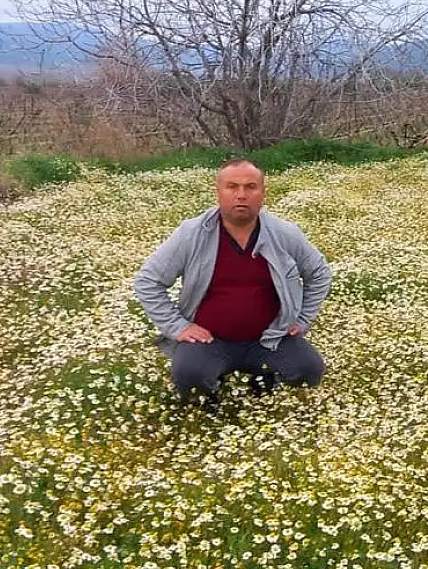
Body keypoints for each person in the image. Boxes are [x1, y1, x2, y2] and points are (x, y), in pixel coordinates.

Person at [133, 158, 332, 410]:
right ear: (218, 192)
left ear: (263, 193)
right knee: (189, 377)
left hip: (269, 339)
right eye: (232, 187)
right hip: (210, 341)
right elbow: (148, 281)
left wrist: (302, 319)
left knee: (308, 370)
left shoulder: (284, 233)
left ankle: (265, 380)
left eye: (250, 187)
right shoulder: (192, 234)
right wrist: (178, 327)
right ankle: (211, 401)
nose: (241, 195)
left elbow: (319, 273)